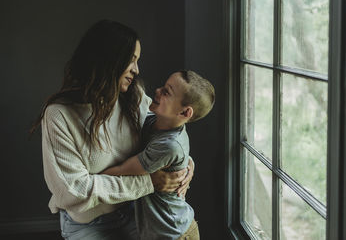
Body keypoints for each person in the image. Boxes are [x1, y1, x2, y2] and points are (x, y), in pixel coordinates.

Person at [29, 20, 194, 240]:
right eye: (132, 60)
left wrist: (184, 165)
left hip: (138, 213)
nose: (137, 70)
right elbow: (73, 190)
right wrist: (149, 183)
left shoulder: (132, 97)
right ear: (109, 60)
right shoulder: (59, 115)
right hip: (89, 224)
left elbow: (168, 131)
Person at [102, 70, 215, 240]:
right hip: (159, 231)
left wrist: (92, 177)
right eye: (163, 86)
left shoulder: (169, 145)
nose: (157, 90)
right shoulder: (153, 121)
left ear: (185, 113)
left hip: (174, 233)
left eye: (166, 92)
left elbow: (123, 170)